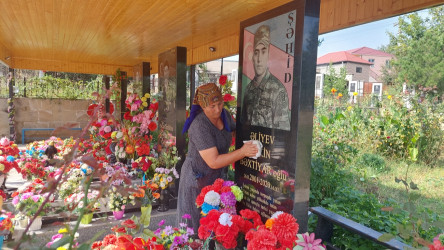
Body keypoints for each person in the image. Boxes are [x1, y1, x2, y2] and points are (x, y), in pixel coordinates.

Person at [177, 83, 258, 234]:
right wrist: (242, 152)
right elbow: (213, 161)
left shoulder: (224, 115)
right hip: (196, 181)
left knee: (215, 226)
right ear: (202, 106)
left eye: (220, 103)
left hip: (216, 180)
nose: (217, 109)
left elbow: (233, 131)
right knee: (193, 228)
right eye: (212, 106)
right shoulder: (199, 125)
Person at [242, 25, 291, 130]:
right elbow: (243, 126)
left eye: (263, 52)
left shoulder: (278, 90)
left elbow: (282, 134)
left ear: (268, 56)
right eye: (256, 52)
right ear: (252, 58)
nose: (259, 59)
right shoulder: (248, 90)